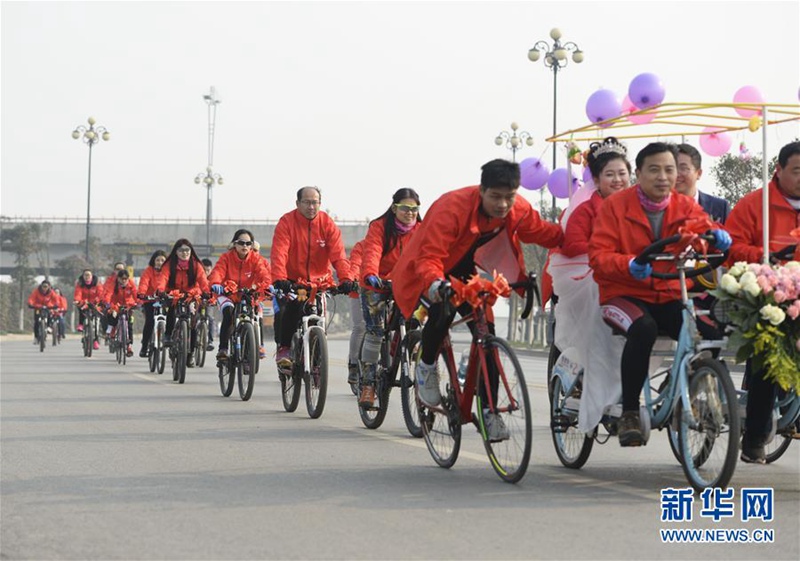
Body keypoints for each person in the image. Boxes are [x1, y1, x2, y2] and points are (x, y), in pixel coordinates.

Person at [391, 159, 563, 440]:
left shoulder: (516, 208)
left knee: (488, 339)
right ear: (481, 191)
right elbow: (429, 256)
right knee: (442, 311)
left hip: (467, 270)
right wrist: (436, 284)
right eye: (495, 197)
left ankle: (489, 411)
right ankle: (426, 367)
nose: (503, 205)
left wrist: (580, 233)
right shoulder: (451, 207)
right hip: (429, 269)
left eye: (509, 197)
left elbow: (543, 232)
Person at [588, 142, 732, 447]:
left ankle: (686, 387)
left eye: (670, 169)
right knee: (644, 329)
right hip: (623, 294)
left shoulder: (685, 205)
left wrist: (716, 239)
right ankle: (629, 412)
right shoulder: (614, 207)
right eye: (654, 169)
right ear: (638, 173)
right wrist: (628, 264)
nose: (664, 177)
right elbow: (598, 257)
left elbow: (702, 232)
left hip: (668, 291)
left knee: (709, 332)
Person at [725, 140, 800, 463]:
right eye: (797, 171)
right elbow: (731, 249)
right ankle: (755, 436)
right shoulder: (755, 205)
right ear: (779, 170)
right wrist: (764, 258)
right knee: (769, 352)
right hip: (762, 294)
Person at [548, 137, 630, 433]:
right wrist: (608, 251)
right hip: (587, 273)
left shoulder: (639, 202)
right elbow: (572, 244)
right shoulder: (585, 208)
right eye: (610, 175)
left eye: (623, 174)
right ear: (596, 179)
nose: (618, 180)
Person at [270, 186, 356, 369]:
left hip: (320, 282)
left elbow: (339, 256)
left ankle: (317, 364)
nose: (311, 207)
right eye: (307, 202)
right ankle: (284, 348)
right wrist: (279, 278)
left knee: (318, 318)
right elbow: (279, 253)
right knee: (292, 308)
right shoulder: (287, 222)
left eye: (315, 203)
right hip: (294, 281)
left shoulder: (327, 224)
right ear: (297, 203)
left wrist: (346, 279)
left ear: (320, 203)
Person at [357, 188, 423, 407]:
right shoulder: (379, 227)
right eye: (405, 208)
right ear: (394, 208)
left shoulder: (422, 230)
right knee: (375, 332)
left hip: (407, 286)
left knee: (414, 322)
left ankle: (401, 348)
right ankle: (368, 385)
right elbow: (372, 252)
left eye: (414, 209)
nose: (410, 213)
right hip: (378, 284)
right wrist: (370, 275)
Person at [208, 229, 271, 362]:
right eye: (241, 243)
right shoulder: (226, 257)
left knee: (253, 314)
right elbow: (217, 272)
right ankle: (223, 349)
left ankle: (252, 350)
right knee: (229, 312)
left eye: (248, 243)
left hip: (247, 294)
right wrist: (215, 283)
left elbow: (264, 273)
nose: (245, 246)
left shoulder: (256, 259)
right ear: (234, 244)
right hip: (227, 294)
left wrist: (268, 285)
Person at [156, 239, 210, 368]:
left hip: (191, 295)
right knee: (172, 311)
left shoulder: (196, 265)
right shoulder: (169, 265)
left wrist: (207, 292)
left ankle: (190, 354)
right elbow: (163, 279)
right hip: (174, 294)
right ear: (176, 252)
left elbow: (203, 281)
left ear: (191, 252)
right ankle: (168, 336)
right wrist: (161, 290)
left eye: (187, 250)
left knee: (192, 323)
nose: (184, 253)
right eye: (181, 250)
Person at [676, 143, 731, 224]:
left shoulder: (720, 207)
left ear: (698, 173)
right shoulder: (656, 207)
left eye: (683, 168)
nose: (676, 174)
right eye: (671, 168)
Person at [137, 249, 167, 357]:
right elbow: (144, 283)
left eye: (162, 260)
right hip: (149, 299)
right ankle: (144, 347)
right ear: (153, 261)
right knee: (149, 322)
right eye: (157, 260)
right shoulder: (148, 271)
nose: (160, 262)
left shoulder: (168, 271)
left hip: (164, 300)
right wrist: (141, 293)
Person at [102, 268, 138, 357]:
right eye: (122, 278)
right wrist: (107, 303)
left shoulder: (131, 284)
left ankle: (129, 347)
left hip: (128, 306)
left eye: (126, 278)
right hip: (115, 305)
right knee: (112, 316)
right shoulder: (113, 285)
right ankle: (111, 332)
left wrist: (138, 303)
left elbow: (136, 294)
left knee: (129, 325)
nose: (124, 280)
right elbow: (109, 294)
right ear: (118, 278)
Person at [347, 239, 367, 387]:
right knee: (360, 327)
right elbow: (355, 264)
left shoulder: (390, 244)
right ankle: (354, 365)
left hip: (384, 291)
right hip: (360, 291)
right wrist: (353, 279)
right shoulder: (361, 246)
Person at [73, 269, 104, 350]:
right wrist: (78, 301)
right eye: (85, 275)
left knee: (96, 323)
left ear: (92, 276)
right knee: (81, 310)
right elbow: (77, 294)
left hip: (94, 304)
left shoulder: (97, 284)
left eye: (88, 275)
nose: (87, 277)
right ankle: (81, 324)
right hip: (84, 303)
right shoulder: (80, 284)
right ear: (83, 276)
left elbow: (101, 294)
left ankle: (95, 340)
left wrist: (97, 301)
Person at [27, 279, 60, 344]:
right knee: (36, 322)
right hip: (38, 307)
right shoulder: (36, 291)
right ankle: (36, 337)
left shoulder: (52, 292)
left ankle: (48, 326)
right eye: (43, 286)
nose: (44, 288)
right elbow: (32, 298)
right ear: (41, 286)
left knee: (50, 314)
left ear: (49, 287)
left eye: (46, 287)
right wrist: (30, 304)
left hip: (48, 307)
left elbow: (56, 300)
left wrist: (56, 305)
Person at [201, 258, 217, 351]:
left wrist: (213, 300)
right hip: (197, 301)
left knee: (210, 318)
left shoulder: (214, 278)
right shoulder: (197, 276)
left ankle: (210, 341)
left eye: (208, 270)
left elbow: (216, 292)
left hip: (209, 302)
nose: (206, 272)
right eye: (204, 270)